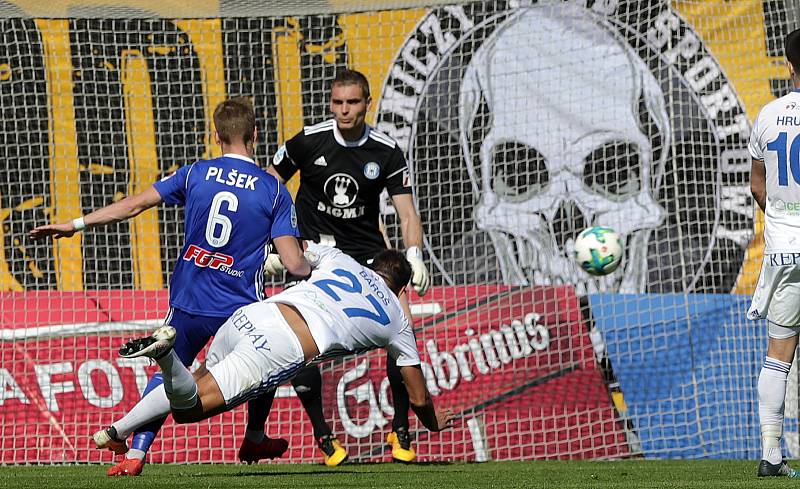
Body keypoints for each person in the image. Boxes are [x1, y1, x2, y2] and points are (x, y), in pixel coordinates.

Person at [30, 97, 311, 476]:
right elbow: (294, 263)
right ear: (256, 135)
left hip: (190, 298)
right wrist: (313, 261)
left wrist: (74, 226)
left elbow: (133, 205)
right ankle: (256, 434)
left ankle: (136, 453)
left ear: (216, 136)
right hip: (241, 305)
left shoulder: (195, 173)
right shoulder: (273, 190)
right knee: (267, 360)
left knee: (167, 372)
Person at [95, 244, 454, 458]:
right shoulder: (397, 319)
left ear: (372, 265)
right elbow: (418, 397)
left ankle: (118, 430)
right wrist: (435, 425)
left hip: (254, 314)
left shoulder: (341, 259)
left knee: (196, 380)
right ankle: (166, 355)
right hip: (281, 345)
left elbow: (292, 253)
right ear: (403, 287)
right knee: (189, 410)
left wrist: (268, 257)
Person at [264, 69, 431, 465]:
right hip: (315, 256)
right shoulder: (307, 141)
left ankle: (401, 430)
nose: (344, 110)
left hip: (369, 256)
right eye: (337, 102)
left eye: (352, 103)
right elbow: (267, 188)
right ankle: (324, 436)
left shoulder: (386, 150)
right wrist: (273, 245)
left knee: (401, 331)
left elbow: (406, 211)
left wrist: (414, 254)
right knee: (299, 344)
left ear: (367, 104)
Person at [747, 28, 800, 478]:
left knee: (778, 353)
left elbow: (757, 185)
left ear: (789, 66)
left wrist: (783, 218)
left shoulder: (767, 115)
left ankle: (771, 455)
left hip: (785, 252)